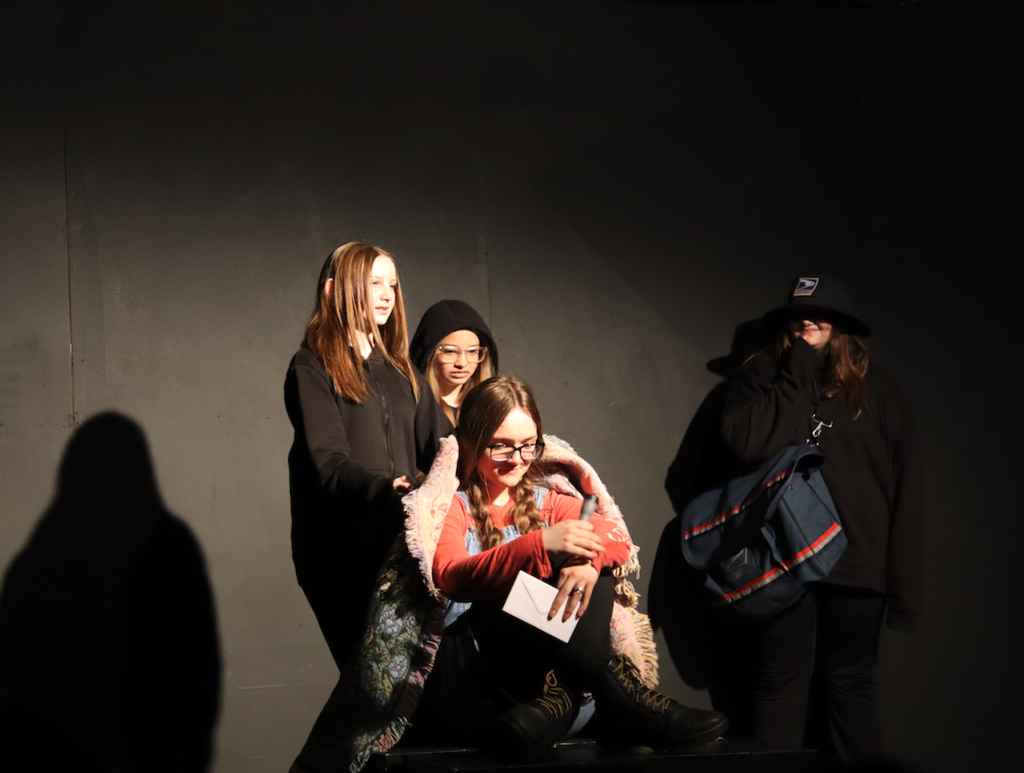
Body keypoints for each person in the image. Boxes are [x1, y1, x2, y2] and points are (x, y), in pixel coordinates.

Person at [423, 375, 729, 751]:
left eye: (527, 446)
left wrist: (588, 561)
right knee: (509, 592)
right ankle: (625, 698)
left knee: (594, 571)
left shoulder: (549, 499)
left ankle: (558, 703)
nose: (517, 460)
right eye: (501, 447)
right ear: (471, 443)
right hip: (482, 675)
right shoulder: (453, 506)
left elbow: (616, 537)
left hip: (536, 701)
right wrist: (539, 544)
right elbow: (452, 577)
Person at [721, 274, 925, 765]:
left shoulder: (880, 391)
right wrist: (798, 368)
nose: (808, 321)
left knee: (852, 686)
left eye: (821, 314)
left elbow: (908, 491)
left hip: (857, 569)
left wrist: (905, 594)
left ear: (841, 325)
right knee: (779, 684)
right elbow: (748, 445)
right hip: (784, 562)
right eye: (799, 313)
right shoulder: (761, 377)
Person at [283, 242, 449, 673]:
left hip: (398, 543)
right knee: (371, 681)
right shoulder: (312, 366)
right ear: (334, 289)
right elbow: (329, 462)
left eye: (391, 284)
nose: (386, 294)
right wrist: (385, 486)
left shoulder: (402, 369)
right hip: (340, 551)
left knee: (411, 683)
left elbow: (444, 446)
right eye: (373, 283)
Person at [410, 299, 498, 424]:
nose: (462, 363)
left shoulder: (493, 407)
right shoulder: (411, 409)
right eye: (450, 352)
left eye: (472, 351)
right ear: (429, 354)